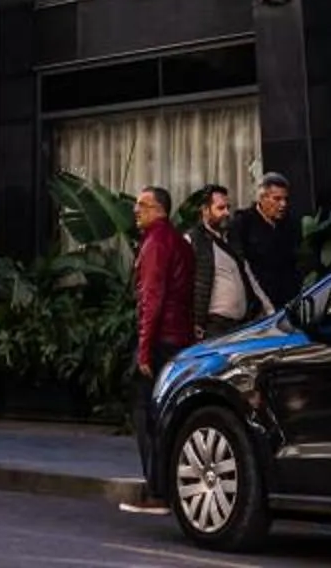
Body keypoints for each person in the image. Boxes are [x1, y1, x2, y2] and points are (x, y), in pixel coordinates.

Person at [124, 185, 195, 515]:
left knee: (147, 413)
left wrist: (143, 350)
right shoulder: (180, 242)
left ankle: (156, 491)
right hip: (179, 337)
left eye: (143, 205)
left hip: (160, 339)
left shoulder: (155, 243)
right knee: (169, 413)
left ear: (159, 210)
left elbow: (151, 299)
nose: (136, 210)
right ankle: (168, 488)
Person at [190, 184, 265, 336]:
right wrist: (195, 322)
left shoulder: (231, 238)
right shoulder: (193, 240)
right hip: (214, 327)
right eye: (220, 208)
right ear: (205, 210)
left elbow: (248, 273)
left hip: (241, 324)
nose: (226, 213)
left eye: (228, 207)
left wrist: (268, 309)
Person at [235, 170, 304, 315]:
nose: (283, 204)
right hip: (257, 306)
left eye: (285, 199)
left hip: (288, 303)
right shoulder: (243, 223)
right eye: (277, 199)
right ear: (262, 198)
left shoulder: (291, 224)